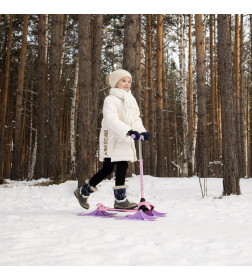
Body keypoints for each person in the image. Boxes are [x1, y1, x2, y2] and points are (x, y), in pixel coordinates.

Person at [74, 69, 149, 210]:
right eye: (123, 80)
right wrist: (128, 131)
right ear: (115, 83)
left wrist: (142, 131)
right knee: (108, 168)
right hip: (112, 138)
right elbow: (111, 119)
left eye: (129, 81)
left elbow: (135, 119)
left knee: (123, 165)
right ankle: (83, 192)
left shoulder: (130, 99)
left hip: (125, 137)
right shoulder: (110, 100)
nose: (127, 84)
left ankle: (120, 200)